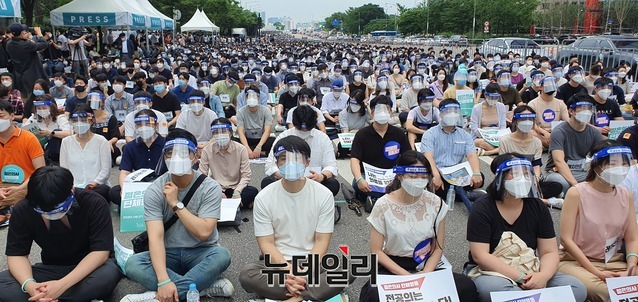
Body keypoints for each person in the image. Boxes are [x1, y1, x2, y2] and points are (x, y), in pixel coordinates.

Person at [123, 129, 234, 301]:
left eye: (183, 153)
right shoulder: (154, 190)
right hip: (168, 254)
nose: (176, 157)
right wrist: (163, 280)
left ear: (195, 157)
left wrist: (176, 204)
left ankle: (157, 297)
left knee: (222, 256)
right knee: (133, 264)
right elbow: (155, 238)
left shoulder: (210, 187)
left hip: (201, 251)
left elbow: (204, 233)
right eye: (170, 153)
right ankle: (199, 289)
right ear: (164, 158)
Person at [239, 136, 351, 301]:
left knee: (350, 268)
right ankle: (312, 293)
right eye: (284, 159)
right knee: (247, 274)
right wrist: (289, 272)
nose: (290, 164)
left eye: (296, 158)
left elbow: (321, 241)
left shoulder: (323, 194)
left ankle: (295, 297)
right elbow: (266, 244)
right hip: (278, 264)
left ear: (307, 162)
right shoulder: (264, 197)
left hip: (313, 264)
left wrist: (304, 271)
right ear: (277, 163)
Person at [359, 150, 479, 302]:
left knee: (465, 286)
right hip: (393, 266)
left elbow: (438, 248)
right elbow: (376, 251)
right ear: (399, 175)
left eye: (423, 177)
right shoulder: (383, 205)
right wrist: (408, 278)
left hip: (425, 264)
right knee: (374, 295)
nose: (418, 180)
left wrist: (425, 274)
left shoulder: (436, 203)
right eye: (413, 176)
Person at [465, 154, 587, 302]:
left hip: (529, 266)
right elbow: (481, 255)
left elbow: (549, 251)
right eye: (516, 173)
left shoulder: (537, 206)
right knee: (502, 292)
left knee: (576, 288)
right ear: (500, 177)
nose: (523, 178)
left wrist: (543, 276)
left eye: (526, 173)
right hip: (490, 271)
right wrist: (520, 277)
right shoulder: (483, 207)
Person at [0, 166, 122, 301]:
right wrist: (30, 286)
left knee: (108, 274)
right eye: (44, 211)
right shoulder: (23, 209)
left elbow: (100, 253)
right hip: (52, 268)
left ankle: (48, 297)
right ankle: (54, 297)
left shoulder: (94, 203)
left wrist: (61, 286)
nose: (52, 215)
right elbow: (17, 255)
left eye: (58, 209)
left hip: (90, 268)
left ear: (72, 190)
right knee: (3, 282)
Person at [558, 141, 637, 302]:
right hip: (577, 262)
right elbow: (566, 240)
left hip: (614, 262)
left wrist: (631, 267)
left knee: (622, 289)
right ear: (596, 166)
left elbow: (632, 238)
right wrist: (596, 272)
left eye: (623, 163)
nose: (620, 168)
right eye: (613, 164)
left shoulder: (626, 195)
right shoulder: (576, 193)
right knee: (607, 292)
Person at [422, 98, 484, 210]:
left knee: (480, 177)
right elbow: (428, 156)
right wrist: (436, 175)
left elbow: (471, 154)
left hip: (457, 173)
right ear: (440, 114)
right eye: (448, 111)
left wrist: (476, 173)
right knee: (436, 184)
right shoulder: (430, 134)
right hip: (438, 171)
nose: (452, 114)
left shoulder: (464, 135)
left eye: (455, 111)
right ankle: (467, 194)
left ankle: (460, 192)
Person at [263, 105, 340, 196]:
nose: (304, 130)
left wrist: (321, 176)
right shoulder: (284, 136)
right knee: (267, 182)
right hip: (287, 181)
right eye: (301, 128)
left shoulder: (322, 138)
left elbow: (331, 165)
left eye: (307, 128)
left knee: (333, 184)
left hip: (314, 181)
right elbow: (270, 165)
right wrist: (283, 174)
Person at [351, 95, 409, 212]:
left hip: (392, 174)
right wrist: (358, 179)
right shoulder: (362, 134)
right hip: (368, 175)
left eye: (386, 109)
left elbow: (408, 157)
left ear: (391, 111)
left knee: (406, 184)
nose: (382, 112)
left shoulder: (398, 133)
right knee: (358, 184)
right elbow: (354, 160)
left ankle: (375, 199)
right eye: (378, 109)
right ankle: (390, 199)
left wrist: (402, 175)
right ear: (372, 113)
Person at [499, 106, 563, 206]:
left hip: (529, 179)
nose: (527, 121)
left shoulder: (536, 142)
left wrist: (535, 179)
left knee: (557, 186)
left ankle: (526, 198)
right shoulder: (505, 141)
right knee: (498, 190)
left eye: (530, 119)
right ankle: (544, 201)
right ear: (516, 120)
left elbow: (536, 165)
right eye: (523, 118)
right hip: (511, 179)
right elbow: (502, 167)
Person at [544, 93, 604, 195]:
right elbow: (559, 161)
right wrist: (576, 185)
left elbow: (602, 156)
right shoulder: (559, 131)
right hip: (558, 172)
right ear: (571, 111)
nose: (586, 112)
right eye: (582, 108)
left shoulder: (594, 132)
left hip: (582, 170)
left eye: (589, 109)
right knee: (562, 183)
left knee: (604, 179)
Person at [109, 109, 165, 207]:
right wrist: (124, 189)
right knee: (114, 192)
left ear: (156, 125)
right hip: (138, 184)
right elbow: (125, 172)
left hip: (161, 185)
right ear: (135, 127)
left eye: (148, 124)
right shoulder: (130, 146)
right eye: (139, 124)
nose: (144, 127)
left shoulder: (166, 145)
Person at [199, 118, 258, 208]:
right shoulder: (207, 150)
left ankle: (223, 205)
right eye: (216, 132)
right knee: (201, 194)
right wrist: (216, 192)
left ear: (230, 133)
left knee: (252, 191)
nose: (220, 135)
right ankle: (238, 205)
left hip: (236, 187)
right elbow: (201, 175)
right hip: (217, 188)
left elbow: (246, 175)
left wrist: (237, 191)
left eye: (223, 131)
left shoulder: (241, 149)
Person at [0, 100, 45, 209]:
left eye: (1, 116)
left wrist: (20, 188)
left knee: (22, 200)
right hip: (2, 187)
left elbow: (40, 170)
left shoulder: (28, 138)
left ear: (12, 116)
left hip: (27, 185)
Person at [60, 106, 111, 200]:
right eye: (75, 120)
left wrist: (93, 184)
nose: (79, 124)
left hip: (96, 187)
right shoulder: (66, 142)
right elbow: (64, 169)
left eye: (83, 120)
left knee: (101, 191)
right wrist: (71, 186)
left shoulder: (101, 141)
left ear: (91, 121)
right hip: (74, 188)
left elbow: (105, 170)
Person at [528, 76, 570, 149]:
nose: (550, 86)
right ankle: (555, 146)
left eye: (552, 83)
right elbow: (532, 124)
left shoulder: (560, 103)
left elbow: (567, 121)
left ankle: (553, 145)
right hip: (541, 133)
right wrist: (544, 132)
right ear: (540, 87)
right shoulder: (533, 104)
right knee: (531, 133)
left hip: (557, 132)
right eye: (547, 84)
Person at [5, 23, 47, 94]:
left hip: (19, 75)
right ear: (22, 33)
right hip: (32, 75)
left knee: (24, 97)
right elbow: (43, 45)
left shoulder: (9, 44)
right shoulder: (26, 44)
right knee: (38, 96)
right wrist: (40, 34)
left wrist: (26, 39)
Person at [236, 87, 276, 159]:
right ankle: (250, 152)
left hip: (261, 140)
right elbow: (240, 132)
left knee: (274, 141)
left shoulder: (266, 111)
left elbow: (267, 131)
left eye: (254, 96)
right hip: (247, 140)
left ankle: (256, 152)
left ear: (259, 98)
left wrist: (259, 147)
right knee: (233, 142)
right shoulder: (241, 112)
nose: (252, 98)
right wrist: (247, 148)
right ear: (246, 98)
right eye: (249, 96)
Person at [470, 83, 508, 156]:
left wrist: (498, 136)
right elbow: (474, 128)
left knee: (509, 140)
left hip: (497, 136)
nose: (493, 100)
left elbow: (503, 126)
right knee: (479, 142)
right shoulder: (477, 108)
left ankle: (489, 152)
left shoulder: (501, 107)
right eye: (491, 97)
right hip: (482, 136)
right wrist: (485, 136)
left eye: (496, 97)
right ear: (485, 95)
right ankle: (500, 150)